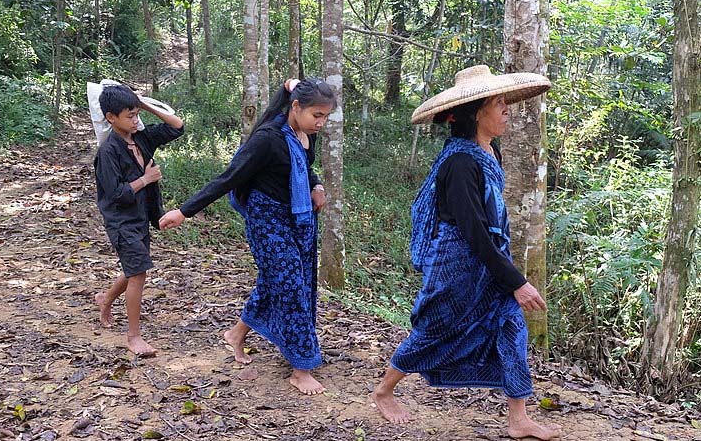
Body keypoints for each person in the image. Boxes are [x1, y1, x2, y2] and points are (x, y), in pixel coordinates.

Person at [372, 65, 561, 440]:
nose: (507, 109)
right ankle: (384, 391)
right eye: (499, 103)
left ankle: (518, 418)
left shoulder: (491, 150)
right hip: (457, 262)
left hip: (489, 261)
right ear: (477, 112)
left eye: (507, 101)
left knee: (511, 327)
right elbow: (472, 230)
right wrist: (516, 281)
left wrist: (506, 277)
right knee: (433, 330)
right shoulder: (459, 162)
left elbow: (489, 224)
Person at [159, 78, 336, 395]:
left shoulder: (306, 134)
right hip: (267, 219)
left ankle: (236, 334)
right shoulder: (267, 139)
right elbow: (228, 178)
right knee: (292, 285)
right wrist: (184, 211)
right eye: (317, 115)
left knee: (278, 281)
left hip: (299, 219)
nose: (321, 123)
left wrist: (317, 185)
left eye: (325, 116)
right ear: (295, 107)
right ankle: (301, 367)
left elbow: (306, 168)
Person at [93, 84, 184, 357]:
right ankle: (133, 336)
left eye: (136, 115)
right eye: (129, 115)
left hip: (142, 215)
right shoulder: (108, 151)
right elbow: (117, 193)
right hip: (121, 219)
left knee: (136, 266)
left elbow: (177, 127)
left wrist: (144, 105)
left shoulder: (141, 139)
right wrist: (146, 179)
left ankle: (106, 298)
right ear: (111, 117)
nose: (135, 120)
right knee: (138, 273)